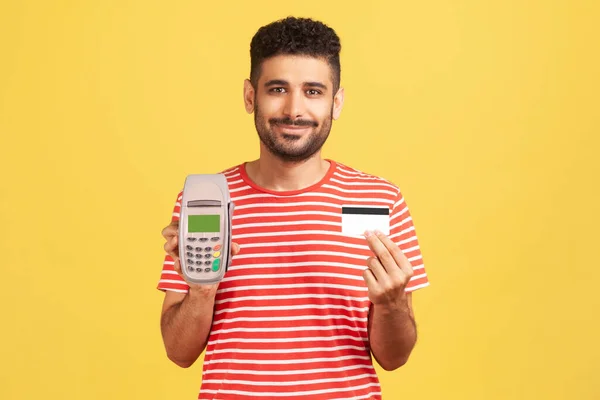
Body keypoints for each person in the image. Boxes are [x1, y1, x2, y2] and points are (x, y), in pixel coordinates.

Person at [157, 16, 430, 400]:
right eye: (278, 88)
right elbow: (178, 352)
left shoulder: (378, 201)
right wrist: (203, 288)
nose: (293, 109)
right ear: (250, 96)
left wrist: (390, 305)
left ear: (336, 103)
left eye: (313, 91)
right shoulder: (207, 200)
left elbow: (394, 358)